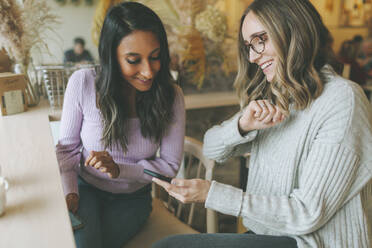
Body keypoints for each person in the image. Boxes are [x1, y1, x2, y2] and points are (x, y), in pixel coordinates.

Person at [152, 0, 372, 247]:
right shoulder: (277, 95)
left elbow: (308, 213)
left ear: (293, 31)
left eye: (260, 40)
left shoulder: (343, 99)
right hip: (269, 236)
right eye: (248, 45)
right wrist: (241, 127)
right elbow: (211, 148)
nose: (252, 57)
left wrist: (211, 193)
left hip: (312, 242)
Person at [56, 2, 185, 248]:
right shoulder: (83, 83)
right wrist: (70, 192)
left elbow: (169, 167)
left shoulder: (171, 96)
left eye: (155, 57)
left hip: (133, 199)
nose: (148, 71)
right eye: (134, 60)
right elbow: (67, 150)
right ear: (111, 56)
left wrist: (119, 170)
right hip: (86, 190)